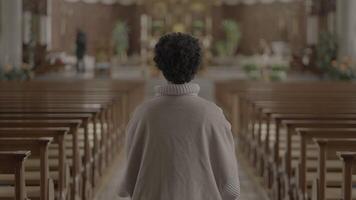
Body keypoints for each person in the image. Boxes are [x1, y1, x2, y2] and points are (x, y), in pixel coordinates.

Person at [118, 32, 240, 200]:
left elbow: (128, 184)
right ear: (196, 66)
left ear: (160, 65)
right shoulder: (213, 115)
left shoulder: (142, 114)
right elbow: (231, 188)